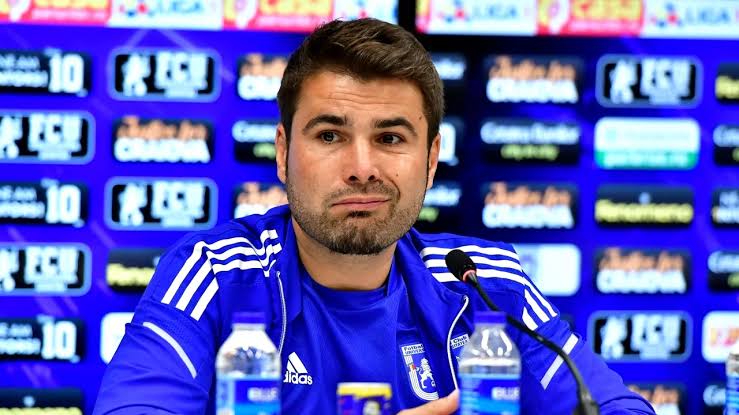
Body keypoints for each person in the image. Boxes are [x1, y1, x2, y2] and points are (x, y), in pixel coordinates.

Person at [94, 18, 656, 415]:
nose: (361, 169)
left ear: (430, 161)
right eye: (330, 135)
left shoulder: (486, 283)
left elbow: (618, 408)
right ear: (283, 153)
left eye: (390, 138)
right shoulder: (215, 275)